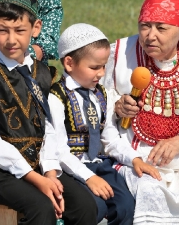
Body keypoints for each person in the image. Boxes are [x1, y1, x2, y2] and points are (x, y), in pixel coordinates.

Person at [0, 0, 97, 225]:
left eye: (20, 30)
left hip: (37, 166)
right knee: (41, 208)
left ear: (35, 28)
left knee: (84, 206)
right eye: (3, 30)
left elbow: (47, 129)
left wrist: (49, 171)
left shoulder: (41, 73)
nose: (11, 39)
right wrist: (37, 180)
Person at [48, 23, 161, 225]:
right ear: (69, 63)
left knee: (126, 206)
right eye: (94, 67)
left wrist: (134, 159)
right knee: (94, 208)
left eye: (103, 66)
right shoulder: (56, 97)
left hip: (99, 164)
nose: (101, 73)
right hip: (71, 168)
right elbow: (58, 150)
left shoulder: (101, 93)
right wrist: (89, 177)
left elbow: (109, 136)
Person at [101, 0, 179, 224]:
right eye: (145, 26)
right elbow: (99, 99)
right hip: (135, 158)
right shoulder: (119, 53)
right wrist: (117, 107)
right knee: (148, 190)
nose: (150, 35)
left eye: (161, 28)